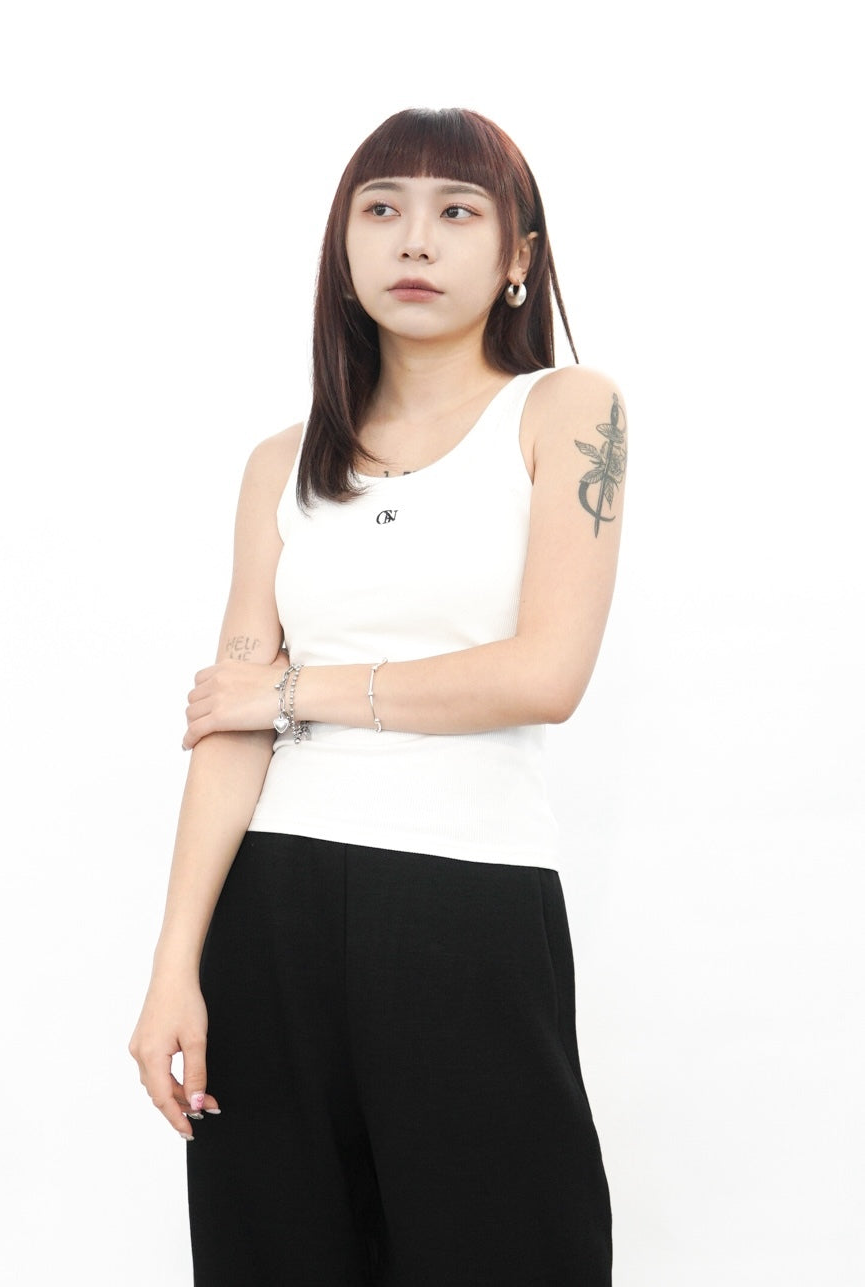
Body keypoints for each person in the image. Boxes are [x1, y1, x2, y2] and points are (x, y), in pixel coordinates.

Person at [129, 106, 627, 1286]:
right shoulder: (282, 459)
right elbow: (226, 725)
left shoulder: (566, 410)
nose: (414, 239)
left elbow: (545, 675)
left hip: (466, 904)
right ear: (342, 246)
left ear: (517, 256)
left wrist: (290, 691)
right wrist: (173, 966)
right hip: (269, 910)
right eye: (381, 209)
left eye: (456, 211)